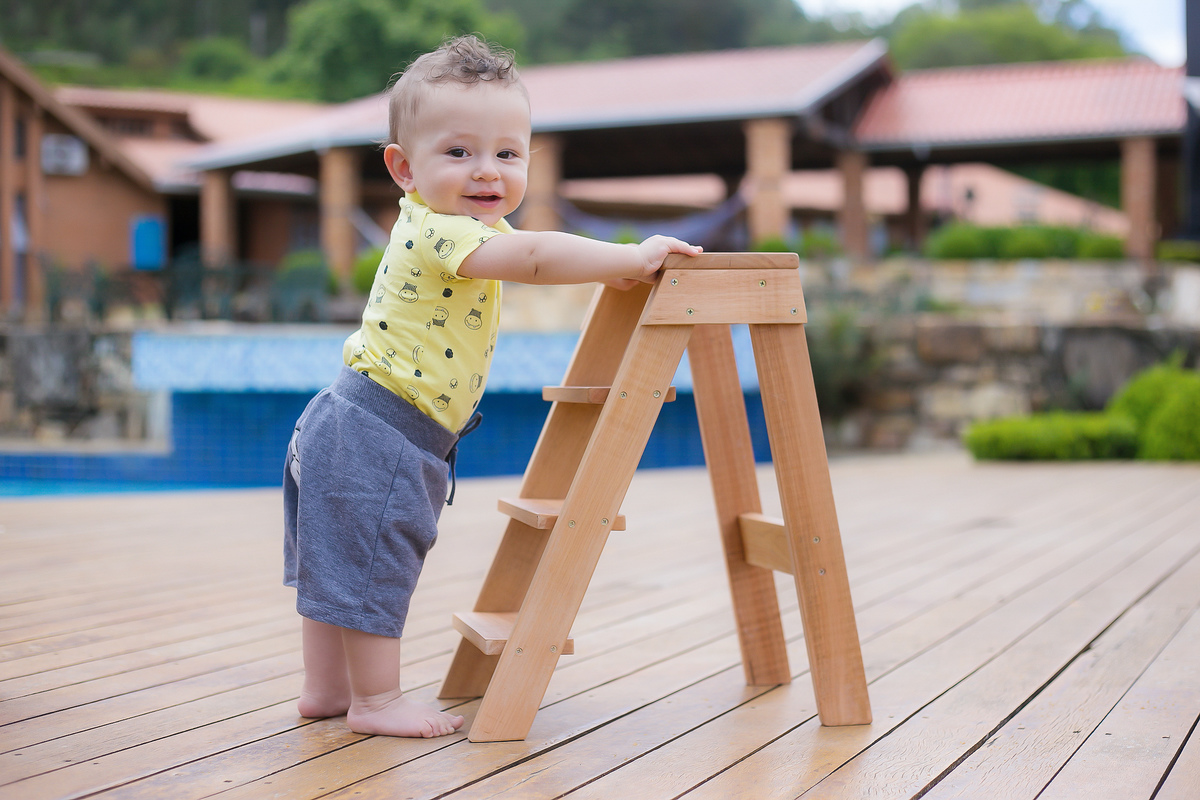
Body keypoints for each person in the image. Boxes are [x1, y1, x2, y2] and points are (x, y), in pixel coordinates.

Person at [282, 34, 701, 739]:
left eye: (507, 154)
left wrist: (609, 268)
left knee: (338, 570)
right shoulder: (441, 230)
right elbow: (535, 256)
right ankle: (374, 702)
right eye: (459, 153)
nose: (487, 171)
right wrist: (629, 257)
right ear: (403, 167)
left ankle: (324, 690)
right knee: (374, 567)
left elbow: (529, 248)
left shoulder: (460, 228)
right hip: (378, 431)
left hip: (350, 421)